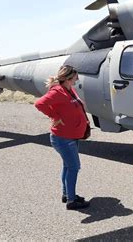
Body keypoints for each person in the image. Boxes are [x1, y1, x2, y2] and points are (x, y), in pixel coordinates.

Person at [35, 65, 90, 210]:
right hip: (63, 138)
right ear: (68, 78)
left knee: (68, 166)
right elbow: (39, 103)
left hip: (71, 135)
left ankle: (67, 194)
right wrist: (55, 116)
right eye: (76, 77)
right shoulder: (58, 91)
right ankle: (71, 201)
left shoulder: (69, 89)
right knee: (74, 167)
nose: (78, 79)